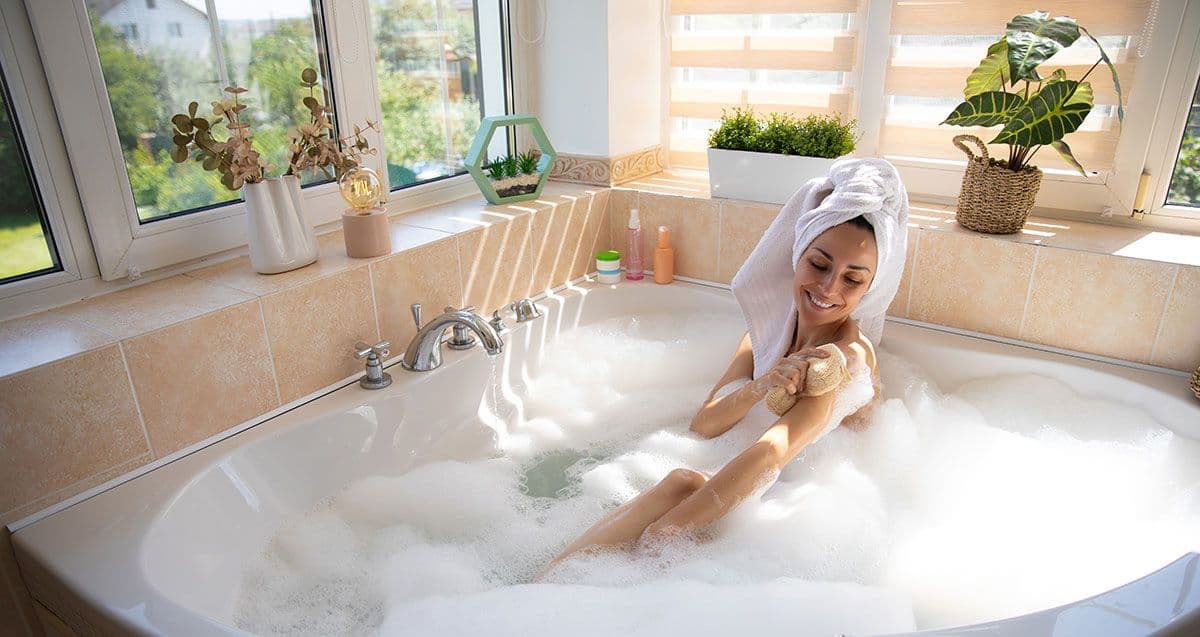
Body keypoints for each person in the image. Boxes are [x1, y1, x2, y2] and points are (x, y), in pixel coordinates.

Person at [542, 158, 909, 575]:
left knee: (682, 493)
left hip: (812, 499)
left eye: (852, 280)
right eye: (820, 265)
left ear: (869, 288)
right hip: (759, 477)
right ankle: (545, 585)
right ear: (797, 255)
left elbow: (772, 453)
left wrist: (668, 532)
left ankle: (551, 588)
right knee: (681, 482)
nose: (828, 288)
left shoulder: (839, 360)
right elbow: (704, 424)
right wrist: (760, 385)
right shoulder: (770, 332)